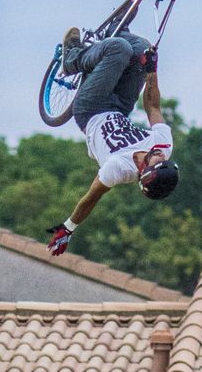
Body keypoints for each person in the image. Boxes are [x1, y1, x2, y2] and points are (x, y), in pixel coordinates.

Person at [47, 28, 179, 257]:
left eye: (157, 160)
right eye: (162, 158)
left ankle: (72, 59)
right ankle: (119, 25)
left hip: (91, 109)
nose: (159, 154)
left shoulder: (118, 168)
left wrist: (67, 228)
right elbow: (153, 107)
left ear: (144, 170)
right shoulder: (164, 146)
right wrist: (151, 71)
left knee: (119, 49)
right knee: (141, 49)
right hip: (120, 106)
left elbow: (91, 198)